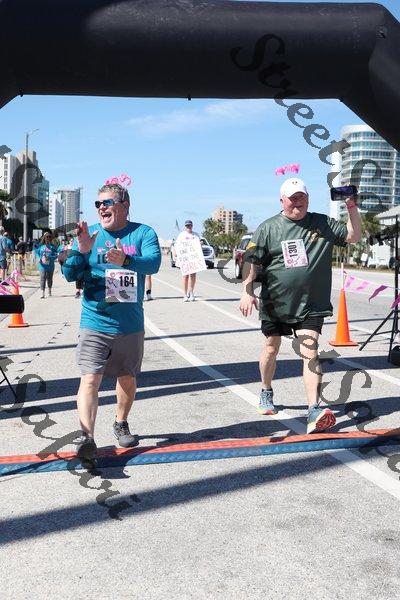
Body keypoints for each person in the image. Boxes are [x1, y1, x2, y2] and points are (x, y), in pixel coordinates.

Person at [239, 177, 361, 434]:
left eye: (301, 197)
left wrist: (351, 207)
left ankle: (314, 409)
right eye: (292, 198)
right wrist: (247, 292)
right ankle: (266, 389)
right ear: (282, 201)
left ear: (308, 199)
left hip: (311, 303)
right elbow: (251, 261)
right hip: (276, 302)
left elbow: (353, 236)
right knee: (271, 348)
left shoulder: (322, 223)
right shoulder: (268, 228)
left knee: (310, 350)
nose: (297, 202)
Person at [59, 181, 161, 467]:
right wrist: (81, 251)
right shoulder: (90, 234)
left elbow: (153, 263)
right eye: (98, 204)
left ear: (124, 205)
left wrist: (126, 260)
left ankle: (121, 422)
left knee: (127, 377)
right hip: (94, 319)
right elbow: (69, 274)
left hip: (129, 323)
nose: (101, 208)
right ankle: (87, 439)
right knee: (90, 378)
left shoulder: (143, 233)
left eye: (107, 202)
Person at [175, 219, 200, 301]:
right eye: (187, 226)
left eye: (190, 225)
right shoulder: (181, 235)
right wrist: (176, 253)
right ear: (185, 226)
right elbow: (177, 245)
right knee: (185, 276)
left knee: (193, 275)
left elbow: (198, 246)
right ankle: (185, 294)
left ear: (192, 226)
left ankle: (191, 292)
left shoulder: (196, 235)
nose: (188, 227)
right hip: (185, 259)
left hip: (193, 258)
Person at [35, 232, 58, 298]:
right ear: (44, 238)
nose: (48, 238)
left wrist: (50, 258)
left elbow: (56, 255)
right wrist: (39, 258)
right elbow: (37, 253)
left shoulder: (53, 247)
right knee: (42, 278)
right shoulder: (41, 246)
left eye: (49, 237)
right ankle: (42, 293)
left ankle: (49, 290)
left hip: (50, 266)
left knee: (49, 279)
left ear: (50, 238)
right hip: (42, 266)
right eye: (46, 237)